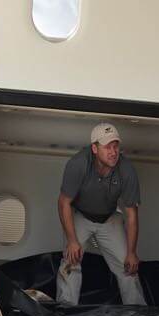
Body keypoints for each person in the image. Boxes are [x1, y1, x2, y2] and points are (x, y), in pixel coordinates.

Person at [56, 122, 145, 306]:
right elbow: (63, 203)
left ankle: (138, 312)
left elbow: (131, 215)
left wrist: (131, 252)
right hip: (81, 215)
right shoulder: (78, 164)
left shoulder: (126, 170)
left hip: (109, 217)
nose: (113, 152)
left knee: (128, 266)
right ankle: (65, 308)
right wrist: (72, 241)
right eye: (107, 147)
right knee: (70, 261)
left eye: (116, 146)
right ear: (95, 148)